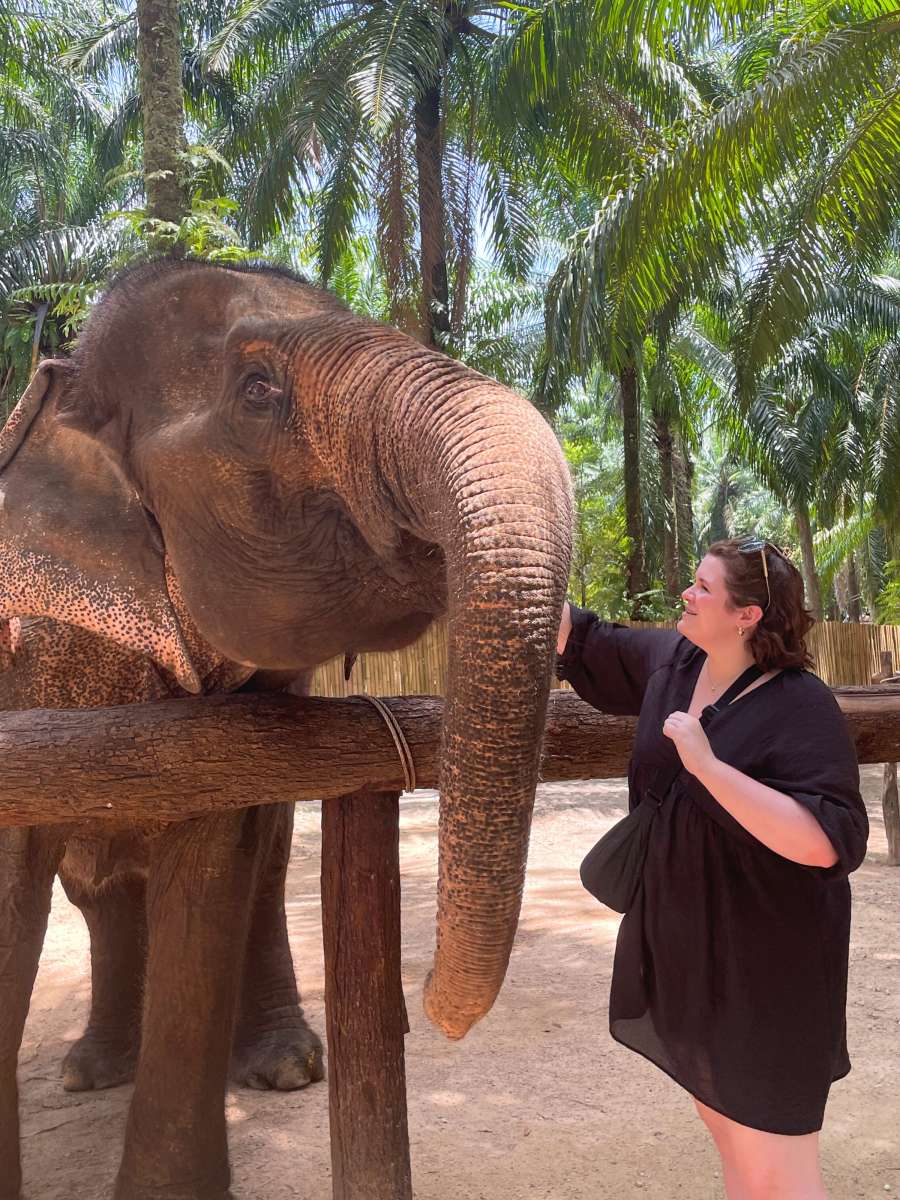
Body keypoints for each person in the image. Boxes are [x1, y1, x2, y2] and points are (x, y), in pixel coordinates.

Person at [556, 538, 868, 1200]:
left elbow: (826, 841)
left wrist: (708, 767)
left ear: (747, 614)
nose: (687, 595)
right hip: (693, 951)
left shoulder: (799, 703)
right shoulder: (676, 664)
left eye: (702, 587)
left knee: (778, 1162)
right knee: (729, 1133)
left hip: (770, 967)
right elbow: (589, 639)